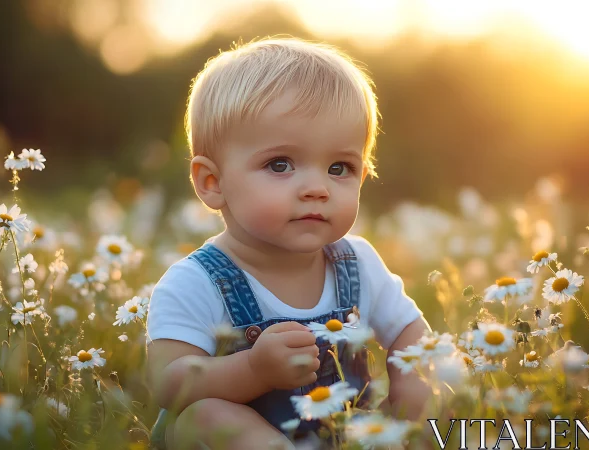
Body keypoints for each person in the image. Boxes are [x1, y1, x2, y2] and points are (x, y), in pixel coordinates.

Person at [146, 36, 432, 450]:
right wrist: (252, 370)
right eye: (279, 164)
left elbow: (411, 331)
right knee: (201, 417)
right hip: (240, 438)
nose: (316, 188)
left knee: (429, 417)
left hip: (340, 433)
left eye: (340, 168)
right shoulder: (195, 282)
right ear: (213, 183)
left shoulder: (357, 263)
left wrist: (411, 385)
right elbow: (168, 383)